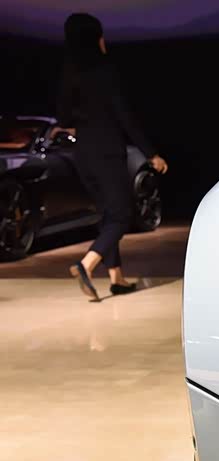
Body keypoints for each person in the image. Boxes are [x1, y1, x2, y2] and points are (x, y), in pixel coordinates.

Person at [55, 13, 168, 301]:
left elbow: (63, 118)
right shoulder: (105, 72)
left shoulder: (69, 73)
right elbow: (125, 117)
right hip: (107, 151)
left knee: (108, 214)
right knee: (122, 214)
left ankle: (117, 278)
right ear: (96, 40)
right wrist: (151, 153)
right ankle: (86, 265)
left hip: (83, 153)